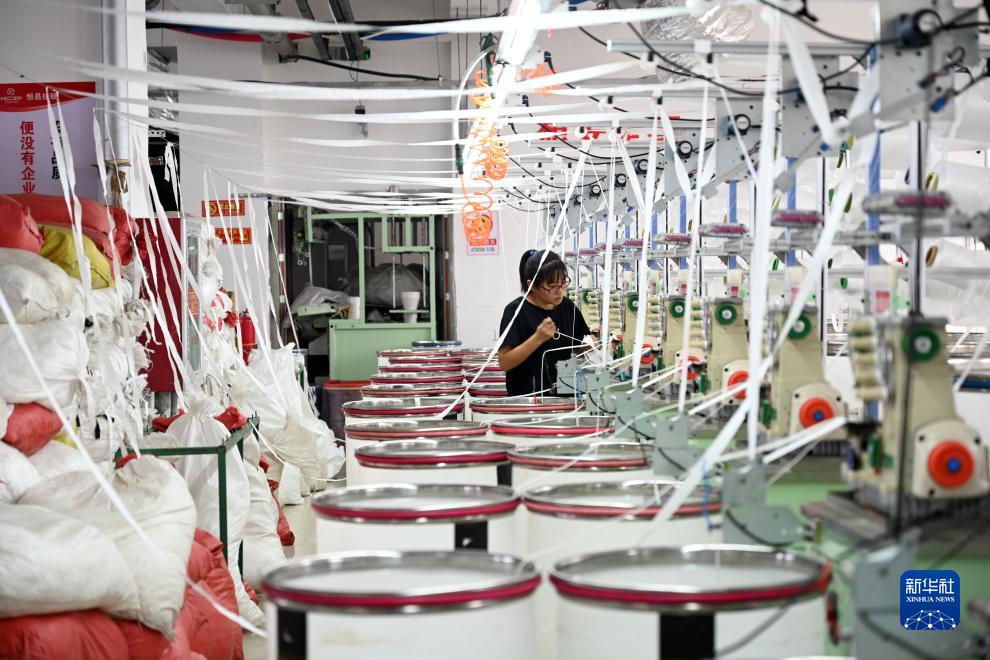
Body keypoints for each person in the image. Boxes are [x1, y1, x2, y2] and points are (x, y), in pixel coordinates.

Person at [497, 249, 592, 396]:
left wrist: (590, 344)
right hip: (528, 400)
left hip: (565, 398)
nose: (559, 291)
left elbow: (581, 343)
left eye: (562, 283)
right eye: (552, 286)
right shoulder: (515, 311)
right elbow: (504, 363)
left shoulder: (568, 307)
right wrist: (537, 338)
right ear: (532, 285)